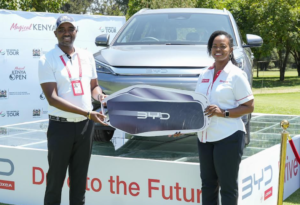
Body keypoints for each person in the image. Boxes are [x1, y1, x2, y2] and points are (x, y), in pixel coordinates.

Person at [172, 30, 254, 205]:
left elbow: (249, 107)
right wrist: (181, 125)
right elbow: (197, 107)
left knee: (228, 187)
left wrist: (223, 112)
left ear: (230, 49)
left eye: (222, 46)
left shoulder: (236, 75)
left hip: (228, 137)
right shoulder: (204, 74)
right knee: (208, 184)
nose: (218, 49)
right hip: (204, 138)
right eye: (214, 46)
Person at [38, 15, 107, 205]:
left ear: (76, 31)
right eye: (62, 29)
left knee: (79, 183)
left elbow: (94, 86)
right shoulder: (46, 59)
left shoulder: (86, 56)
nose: (66, 33)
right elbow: (52, 99)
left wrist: (100, 96)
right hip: (61, 128)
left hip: (85, 128)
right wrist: (87, 113)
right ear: (55, 33)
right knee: (55, 182)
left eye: (70, 29)